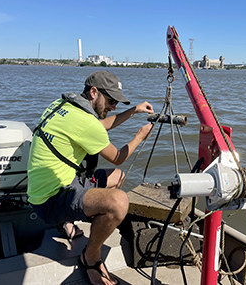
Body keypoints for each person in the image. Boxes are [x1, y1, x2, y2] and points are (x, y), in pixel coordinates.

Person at [27, 70, 154, 285]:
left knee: (117, 178)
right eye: (112, 100)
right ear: (94, 92)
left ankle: (78, 222)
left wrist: (133, 111)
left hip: (47, 186)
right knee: (118, 202)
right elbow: (118, 157)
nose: (114, 106)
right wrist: (139, 137)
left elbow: (102, 125)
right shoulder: (85, 122)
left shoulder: (64, 106)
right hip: (49, 200)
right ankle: (91, 256)